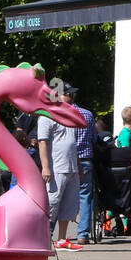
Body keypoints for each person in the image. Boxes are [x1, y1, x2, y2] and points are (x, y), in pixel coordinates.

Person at [38, 98, 81, 250]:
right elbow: (42, 142)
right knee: (51, 204)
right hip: (56, 167)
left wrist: (78, 166)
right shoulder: (46, 116)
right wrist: (45, 167)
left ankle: (62, 239)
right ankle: (43, 239)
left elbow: (72, 143)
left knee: (69, 205)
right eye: (68, 95)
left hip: (71, 167)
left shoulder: (68, 115)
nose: (71, 98)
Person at [67, 87, 96, 244]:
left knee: (58, 195)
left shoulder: (60, 114)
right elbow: (93, 137)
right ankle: (83, 234)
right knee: (85, 196)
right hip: (85, 159)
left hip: (65, 160)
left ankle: (50, 231)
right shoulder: (87, 114)